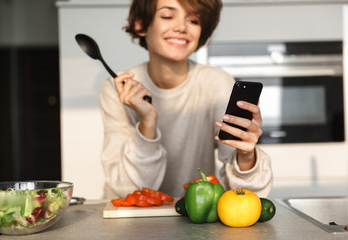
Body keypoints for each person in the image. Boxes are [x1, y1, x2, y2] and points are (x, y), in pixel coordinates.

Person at [100, 0, 273, 199]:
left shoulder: (216, 83)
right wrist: (147, 123)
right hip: (128, 221)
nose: (182, 27)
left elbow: (247, 194)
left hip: (194, 216)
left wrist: (246, 154)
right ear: (140, 24)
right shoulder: (116, 90)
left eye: (194, 20)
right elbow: (127, 190)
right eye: (167, 16)